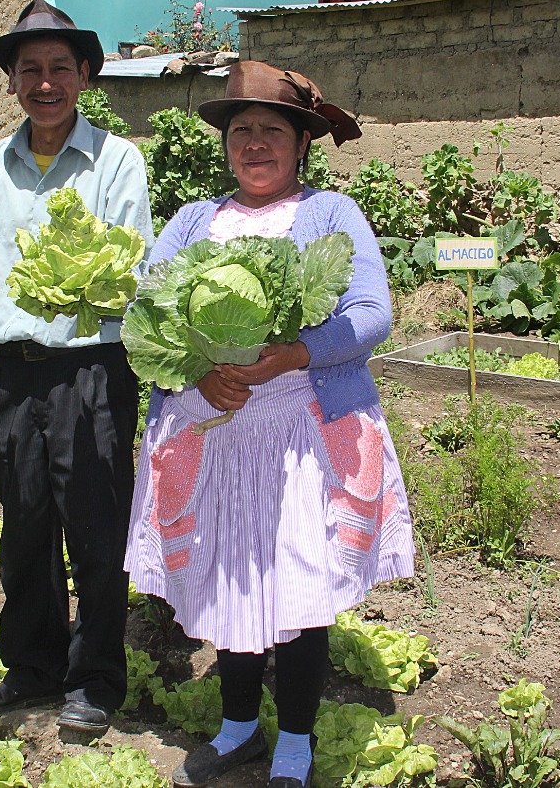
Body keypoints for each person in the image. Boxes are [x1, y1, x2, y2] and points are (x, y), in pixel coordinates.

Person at [123, 61, 415, 788]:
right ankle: (237, 726)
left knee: (301, 584)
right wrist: (197, 373)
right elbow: (145, 310)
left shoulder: (331, 214)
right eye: (241, 130)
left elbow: (371, 314)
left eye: (272, 131)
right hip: (213, 430)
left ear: (301, 144)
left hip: (303, 436)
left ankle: (297, 739)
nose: (255, 143)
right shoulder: (194, 219)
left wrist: (295, 351)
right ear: (225, 144)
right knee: (232, 576)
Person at [0, 0, 153, 734]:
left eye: (58, 68)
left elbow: (132, 269)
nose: (44, 83)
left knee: (95, 528)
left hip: (92, 371)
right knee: (23, 526)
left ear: (84, 74)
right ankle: (33, 669)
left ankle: (96, 678)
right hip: (13, 375)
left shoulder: (117, 159)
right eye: (29, 70)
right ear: (12, 82)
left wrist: (86, 281)